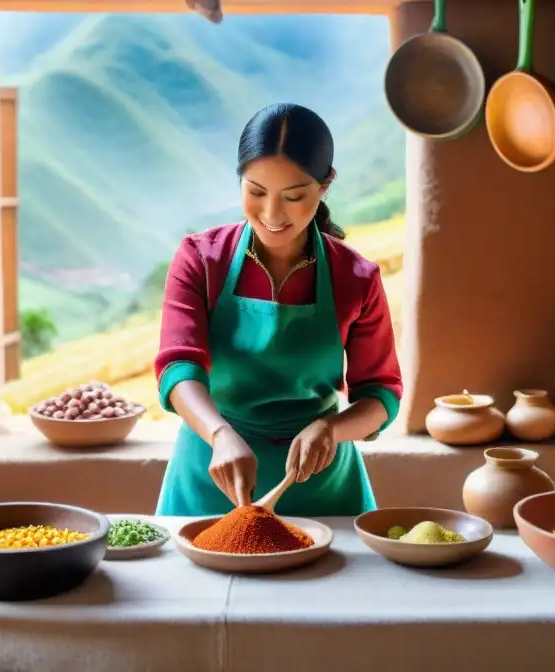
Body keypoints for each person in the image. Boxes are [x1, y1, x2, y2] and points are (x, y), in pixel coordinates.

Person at [154, 102, 403, 517]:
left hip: (319, 486)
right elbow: (179, 367)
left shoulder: (356, 277)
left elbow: (380, 395)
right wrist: (219, 434)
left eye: (293, 196)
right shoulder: (201, 259)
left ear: (324, 186)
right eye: (255, 192)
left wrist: (331, 428)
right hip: (210, 472)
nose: (271, 214)